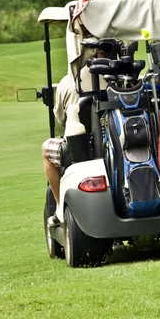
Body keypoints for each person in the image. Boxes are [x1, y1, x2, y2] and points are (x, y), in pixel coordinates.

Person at [41, 41, 104, 225]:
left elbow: (61, 119)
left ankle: (60, 206)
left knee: (46, 149)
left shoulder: (68, 83)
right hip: (113, 140)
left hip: (79, 146)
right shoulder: (119, 77)